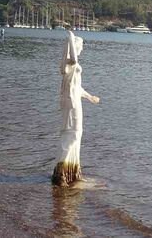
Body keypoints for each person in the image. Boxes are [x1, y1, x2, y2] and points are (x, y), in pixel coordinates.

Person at [52, 31, 100, 187]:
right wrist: (71, 38)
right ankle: (63, 172)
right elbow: (74, 58)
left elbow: (77, 87)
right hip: (70, 102)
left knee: (76, 133)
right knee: (71, 133)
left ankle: (71, 170)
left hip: (74, 100)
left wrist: (90, 97)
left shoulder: (72, 64)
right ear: (74, 46)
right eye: (80, 46)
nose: (82, 49)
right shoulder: (67, 63)